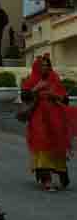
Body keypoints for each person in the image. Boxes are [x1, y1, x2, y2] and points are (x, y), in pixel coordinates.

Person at [21, 56, 77, 191]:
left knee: (56, 144)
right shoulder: (32, 80)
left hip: (55, 118)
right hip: (38, 119)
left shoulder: (54, 79)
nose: (44, 68)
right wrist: (36, 89)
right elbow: (24, 97)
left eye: (47, 65)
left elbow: (65, 100)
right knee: (42, 144)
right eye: (42, 65)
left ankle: (61, 173)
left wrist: (55, 96)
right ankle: (47, 180)